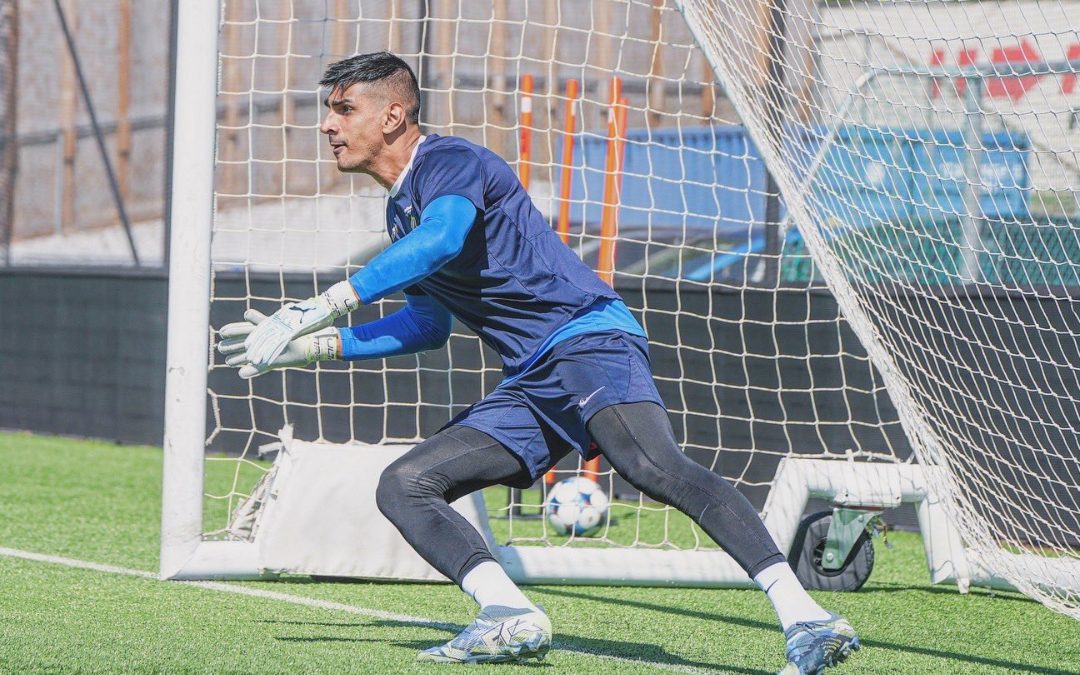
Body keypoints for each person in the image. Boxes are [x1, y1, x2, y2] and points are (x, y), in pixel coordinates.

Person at [218, 52, 859, 674]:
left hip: (585, 340)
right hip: (531, 379)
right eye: (327, 111)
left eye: (342, 109)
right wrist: (319, 347)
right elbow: (425, 325)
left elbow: (442, 241)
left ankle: (807, 617)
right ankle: (507, 612)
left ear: (391, 117)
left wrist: (326, 305)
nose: (327, 125)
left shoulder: (448, 159)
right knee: (405, 485)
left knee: (650, 465)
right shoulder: (399, 209)